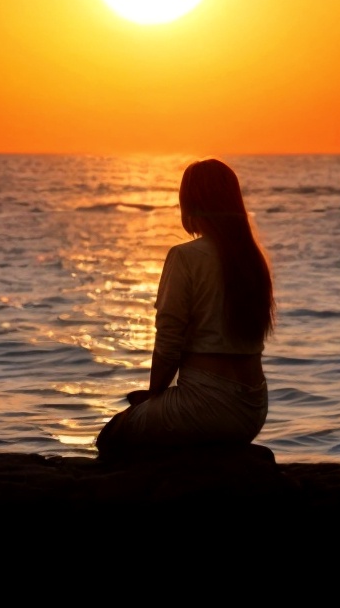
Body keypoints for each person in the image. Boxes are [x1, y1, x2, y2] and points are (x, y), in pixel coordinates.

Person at [95, 158, 273, 460]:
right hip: (253, 411)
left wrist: (153, 397)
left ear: (190, 203)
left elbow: (168, 342)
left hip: (206, 406)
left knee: (111, 436)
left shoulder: (185, 257)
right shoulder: (253, 260)